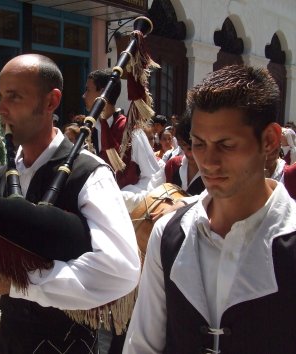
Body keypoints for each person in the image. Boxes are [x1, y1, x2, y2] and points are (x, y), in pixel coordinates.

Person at [0, 54, 140, 354]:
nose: (0, 109)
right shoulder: (1, 179)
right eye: (1, 96)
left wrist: (19, 281)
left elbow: (120, 271)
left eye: (14, 96)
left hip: (66, 344)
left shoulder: (88, 173)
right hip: (11, 341)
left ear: (51, 102)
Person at [123, 65, 296, 354]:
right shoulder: (169, 233)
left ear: (268, 141)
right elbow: (142, 345)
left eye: (226, 145)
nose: (209, 162)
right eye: (199, 144)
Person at [82, 69, 162, 212]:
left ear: (102, 93)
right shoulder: (88, 131)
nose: (84, 95)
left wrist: (126, 197)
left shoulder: (131, 131)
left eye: (88, 90)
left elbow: (154, 178)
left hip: (125, 214)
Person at [165, 113, 205, 196]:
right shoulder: (173, 165)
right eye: (182, 148)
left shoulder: (214, 172)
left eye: (190, 148)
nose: (187, 154)